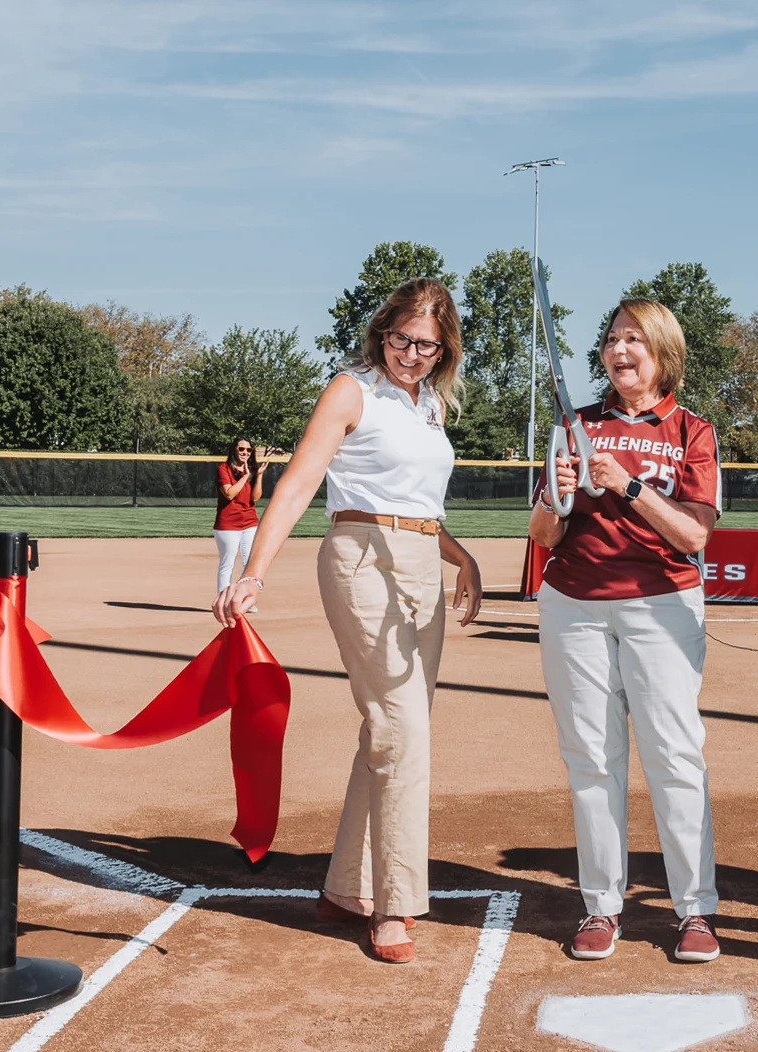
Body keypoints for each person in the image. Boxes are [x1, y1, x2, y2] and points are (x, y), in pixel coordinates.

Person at [212, 278, 483, 964]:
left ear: (443, 347)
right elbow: (302, 480)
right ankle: (394, 902)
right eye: (402, 339)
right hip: (360, 556)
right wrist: (254, 571)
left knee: (389, 730)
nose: (412, 355)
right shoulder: (351, 389)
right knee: (403, 727)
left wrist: (462, 557)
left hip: (421, 555)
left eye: (427, 345)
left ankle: (341, 886)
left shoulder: (430, 407)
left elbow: (419, 504)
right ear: (381, 331)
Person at [529, 298, 723, 964]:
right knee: (590, 758)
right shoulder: (575, 425)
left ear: (662, 350)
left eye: (633, 338)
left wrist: (629, 486)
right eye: (611, 338)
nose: (618, 349)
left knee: (674, 754)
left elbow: (695, 533)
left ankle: (694, 909)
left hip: (661, 602)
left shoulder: (691, 431)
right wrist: (557, 492)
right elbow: (542, 535)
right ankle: (600, 904)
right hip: (573, 602)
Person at [214, 437, 270, 597]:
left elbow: (255, 498)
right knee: (227, 564)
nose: (245, 452)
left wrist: (258, 475)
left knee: (249, 563)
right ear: (234, 450)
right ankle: (224, 601)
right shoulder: (223, 469)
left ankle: (243, 600)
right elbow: (229, 493)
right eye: (241, 449)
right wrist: (245, 476)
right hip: (228, 525)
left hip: (250, 523)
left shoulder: (251, 469)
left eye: (248, 450)